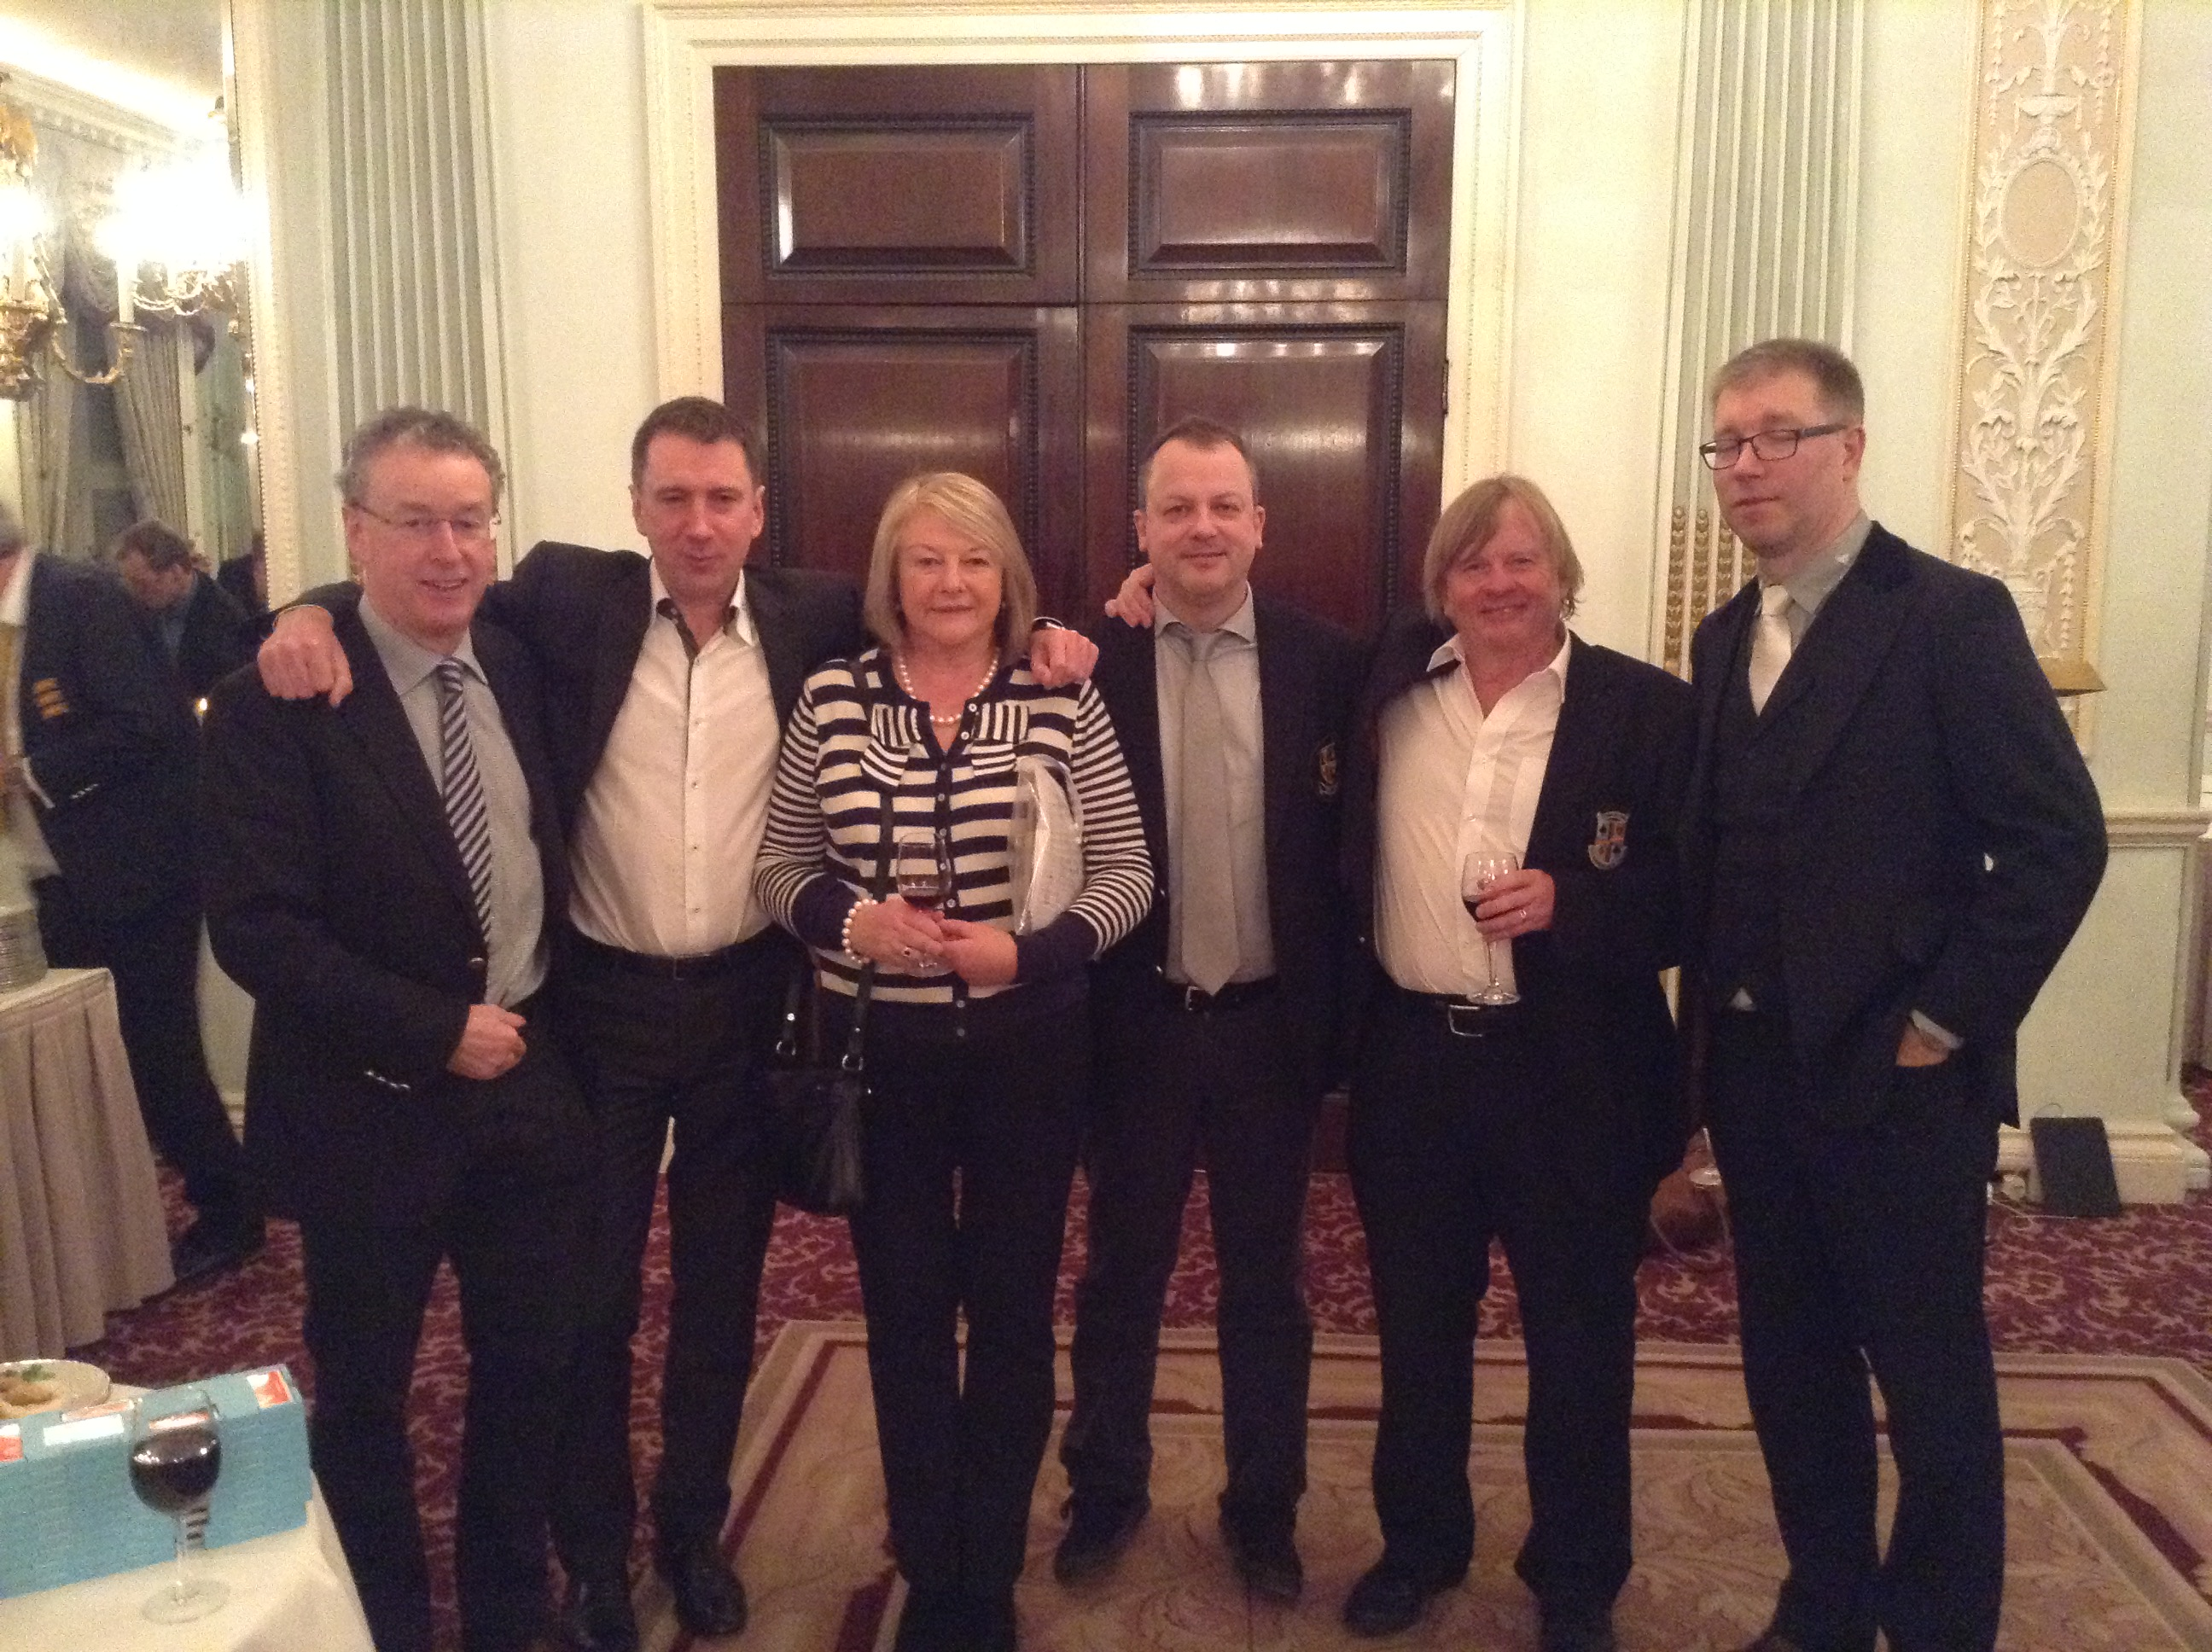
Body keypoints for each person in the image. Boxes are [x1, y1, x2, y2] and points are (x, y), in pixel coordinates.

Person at [256, 398, 1098, 1652]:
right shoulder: (566, 601)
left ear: (759, 512)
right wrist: (302, 611)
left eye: (722, 499)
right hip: (594, 1010)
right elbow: (425, 576)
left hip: (748, 1007)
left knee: (720, 1292)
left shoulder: (816, 617)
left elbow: (958, 602)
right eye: (673, 498)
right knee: (589, 1299)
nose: (698, 524)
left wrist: (1061, 633)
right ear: (637, 507)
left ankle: (693, 1532)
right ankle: (595, 1559)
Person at [1682, 338, 2105, 1652]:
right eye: (1728, 443)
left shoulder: (1948, 615)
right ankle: (1822, 1607)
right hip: (1756, 1076)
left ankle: (1933, 1628)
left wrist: (1940, 1022)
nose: (1746, 464)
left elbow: (2057, 839)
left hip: (1900, 1080)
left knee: (1930, 1383)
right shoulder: (1720, 638)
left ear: (1849, 447)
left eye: (1778, 434)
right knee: (1792, 1365)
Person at [201, 408, 593, 1652]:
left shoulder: (518, 660)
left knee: (530, 1372)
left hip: (526, 1087)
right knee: (364, 1392)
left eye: (470, 520)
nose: (449, 549)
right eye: (415, 521)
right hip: (366, 1106)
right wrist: (433, 1031)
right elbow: (258, 931)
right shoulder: (275, 703)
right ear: (355, 531)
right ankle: (386, 1622)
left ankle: (508, 1609)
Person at [754, 472, 1152, 1652]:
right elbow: (777, 868)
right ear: (891, 575)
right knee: (909, 1313)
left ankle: (992, 1564)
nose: (950, 582)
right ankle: (936, 1570)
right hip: (885, 1056)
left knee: (1015, 1312)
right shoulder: (833, 698)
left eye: (974, 560)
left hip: (1030, 1054)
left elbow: (1129, 874)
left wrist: (1027, 953)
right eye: (926, 559)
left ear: (1005, 576)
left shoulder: (1058, 696)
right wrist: (851, 922)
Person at [1338, 475, 1694, 1652]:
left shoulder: (1646, 709)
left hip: (1573, 1070)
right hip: (1414, 1068)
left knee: (1581, 1337)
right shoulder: (1387, 689)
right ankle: (1419, 1544)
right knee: (1417, 1330)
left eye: (1523, 560)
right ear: (1441, 586)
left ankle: (1577, 1578)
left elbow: (1696, 895)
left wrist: (1574, 903)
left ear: (1563, 575)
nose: (1500, 583)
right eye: (1475, 563)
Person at [1055, 417, 1359, 1603]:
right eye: (1177, 508)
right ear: (1142, 529)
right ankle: (1106, 1487)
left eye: (1225, 505)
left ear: (1260, 524)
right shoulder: (1086, 662)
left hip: (1270, 1031)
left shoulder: (1329, 663)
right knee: (1120, 1274)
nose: (1202, 528)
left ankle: (1264, 1507)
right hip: (1134, 1023)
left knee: (1267, 1287)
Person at [0, 500, 261, 1285]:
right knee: (94, 1061)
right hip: (55, 872)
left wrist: (28, 773)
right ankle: (112, 1227)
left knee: (158, 1050)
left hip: (139, 868)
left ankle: (232, 1212)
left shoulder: (80, 600)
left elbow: (153, 725)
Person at [113, 517, 258, 701]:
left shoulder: (225, 617)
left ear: (175, 572)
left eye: (141, 584)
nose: (135, 593)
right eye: (130, 584)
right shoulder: (141, 610)